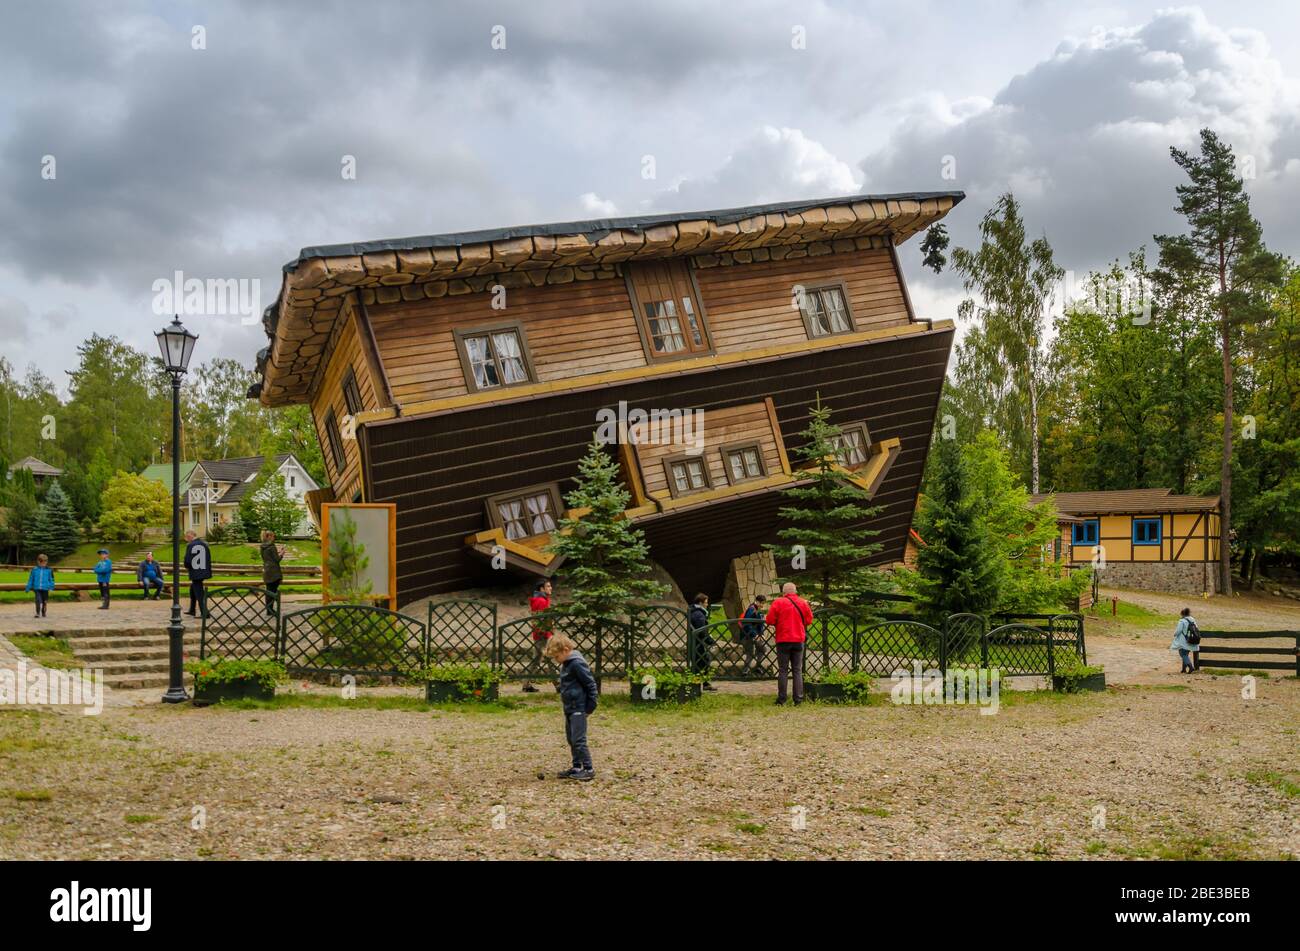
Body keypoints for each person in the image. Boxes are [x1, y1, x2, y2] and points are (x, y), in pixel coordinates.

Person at [543, 633, 598, 781]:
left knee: (579, 740)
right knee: (571, 739)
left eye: (556, 657)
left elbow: (590, 684)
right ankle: (576, 767)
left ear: (566, 650)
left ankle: (588, 768)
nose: (556, 660)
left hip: (579, 707)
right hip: (569, 707)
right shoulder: (566, 663)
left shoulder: (576, 663)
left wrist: (590, 707)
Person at [766, 582, 813, 705]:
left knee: (783, 670)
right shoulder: (803, 602)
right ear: (795, 591)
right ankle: (798, 699)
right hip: (798, 640)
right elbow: (809, 620)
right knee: (797, 670)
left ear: (784, 592)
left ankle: (782, 700)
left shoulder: (778, 602)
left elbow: (770, 620)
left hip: (783, 640)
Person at [522, 579, 553, 693]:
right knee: (550, 659)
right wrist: (547, 632)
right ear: (542, 589)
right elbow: (540, 620)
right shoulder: (541, 601)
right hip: (543, 635)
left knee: (536, 660)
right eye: (548, 586)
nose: (551, 588)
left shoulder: (542, 599)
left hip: (541, 634)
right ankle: (559, 684)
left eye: (550, 586)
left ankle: (526, 684)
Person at [688, 593, 717, 691]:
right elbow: (702, 631)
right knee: (704, 661)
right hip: (697, 643)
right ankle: (703, 684)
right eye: (706, 602)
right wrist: (710, 641)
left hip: (695, 642)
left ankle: (698, 683)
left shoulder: (695, 611)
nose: (707, 604)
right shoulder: (698, 614)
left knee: (699, 663)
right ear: (700, 603)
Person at [183, 530, 213, 618]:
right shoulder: (204, 544)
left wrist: (187, 566)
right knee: (193, 589)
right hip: (203, 570)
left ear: (190, 536)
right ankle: (192, 609)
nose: (186, 539)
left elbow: (187, 561)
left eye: (186, 537)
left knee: (199, 593)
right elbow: (208, 558)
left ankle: (205, 613)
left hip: (195, 572)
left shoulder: (190, 545)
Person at [740, 593, 768, 677]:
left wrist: (761, 634)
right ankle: (745, 672)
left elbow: (760, 625)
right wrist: (755, 635)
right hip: (748, 635)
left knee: (762, 648)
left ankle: (758, 666)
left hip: (755, 635)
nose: (762, 606)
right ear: (757, 602)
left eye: (763, 603)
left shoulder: (757, 610)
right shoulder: (751, 609)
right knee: (750, 653)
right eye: (762, 603)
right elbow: (747, 624)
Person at [260, 530, 285, 616]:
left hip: (267, 570)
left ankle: (269, 610)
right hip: (274, 572)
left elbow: (268, 558)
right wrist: (281, 554)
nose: (274, 538)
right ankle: (271, 610)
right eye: (273, 536)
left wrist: (277, 554)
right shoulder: (272, 546)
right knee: (273, 591)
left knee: (268, 591)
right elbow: (277, 560)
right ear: (269, 537)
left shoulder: (262, 546)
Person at [1170, 606, 1201, 674]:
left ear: (1182, 614)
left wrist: (1174, 634)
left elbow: (1178, 631)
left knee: (1183, 654)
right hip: (1191, 639)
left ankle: (1190, 667)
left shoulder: (1182, 621)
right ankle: (1184, 669)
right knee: (1185, 654)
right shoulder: (1193, 619)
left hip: (1184, 641)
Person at [25, 553, 54, 618]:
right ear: (38, 561)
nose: (43, 564)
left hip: (45, 588)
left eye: (45, 562)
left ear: (47, 562)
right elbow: (31, 579)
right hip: (37, 588)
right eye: (41, 562)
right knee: (38, 600)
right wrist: (28, 587)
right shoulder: (34, 570)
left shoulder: (49, 570)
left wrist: (51, 587)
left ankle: (43, 612)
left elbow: (51, 579)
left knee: (44, 602)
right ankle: (37, 613)